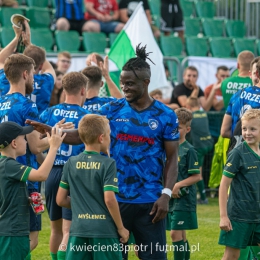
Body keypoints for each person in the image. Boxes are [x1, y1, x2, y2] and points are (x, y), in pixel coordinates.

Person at [27, 44, 180, 260]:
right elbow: (83, 135)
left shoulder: (165, 115)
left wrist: (165, 194)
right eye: (122, 83)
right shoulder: (112, 109)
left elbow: (173, 157)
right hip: (115, 202)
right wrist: (53, 131)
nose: (124, 88)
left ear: (146, 83)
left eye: (130, 84)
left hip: (151, 202)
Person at [56, 114, 129, 259]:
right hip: (104, 231)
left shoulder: (70, 162)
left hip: (78, 229)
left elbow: (60, 200)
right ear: (101, 138)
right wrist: (121, 228)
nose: (110, 138)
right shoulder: (108, 163)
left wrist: (82, 205)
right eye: (109, 135)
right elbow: (109, 199)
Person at [40, 72, 90, 260]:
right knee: (68, 229)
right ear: (83, 90)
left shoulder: (50, 112)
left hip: (52, 172)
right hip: (74, 174)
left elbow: (36, 142)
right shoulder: (86, 117)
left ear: (64, 89)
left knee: (55, 229)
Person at [0, 122, 65, 260]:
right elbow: (41, 175)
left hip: (11, 232)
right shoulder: (10, 165)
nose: (26, 142)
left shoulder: (4, 164)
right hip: (12, 234)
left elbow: (6, 195)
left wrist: (26, 199)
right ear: (14, 143)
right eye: (23, 138)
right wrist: (53, 147)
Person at [218, 109, 260, 260]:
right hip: (239, 216)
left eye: (253, 129)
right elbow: (223, 186)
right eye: (244, 128)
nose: (247, 132)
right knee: (232, 256)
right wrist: (223, 216)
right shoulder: (237, 153)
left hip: (258, 215)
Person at [0, 20, 56, 114]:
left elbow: (1, 60)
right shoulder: (46, 80)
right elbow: (49, 68)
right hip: (37, 127)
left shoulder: (5, 78)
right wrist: (29, 43)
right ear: (41, 65)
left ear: (24, 58)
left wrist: (17, 37)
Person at [169, 107, 200, 260]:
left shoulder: (189, 150)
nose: (175, 130)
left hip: (183, 199)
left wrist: (177, 185)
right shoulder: (168, 147)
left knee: (175, 234)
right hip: (170, 198)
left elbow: (197, 176)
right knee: (181, 234)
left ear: (187, 129)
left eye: (179, 128)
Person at [221, 57, 260, 139]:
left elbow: (224, 132)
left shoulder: (238, 94)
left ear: (256, 74)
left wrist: (241, 138)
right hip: (255, 150)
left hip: (236, 149)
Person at [186, 97, 214, 204]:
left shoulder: (191, 117)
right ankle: (201, 196)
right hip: (208, 143)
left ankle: (203, 197)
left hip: (199, 146)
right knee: (199, 171)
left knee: (197, 173)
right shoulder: (204, 114)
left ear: (188, 106)